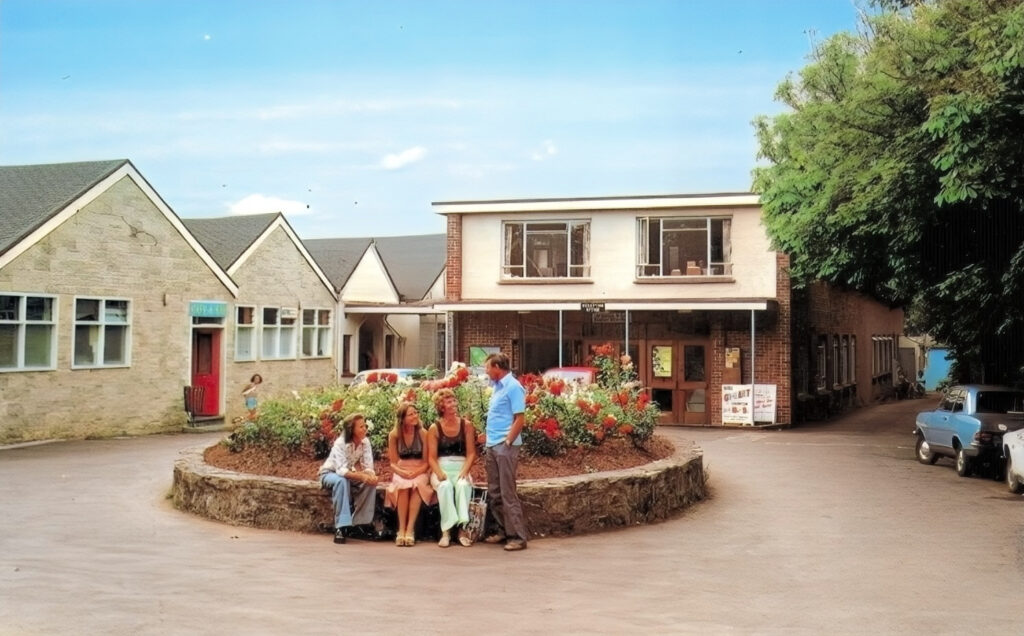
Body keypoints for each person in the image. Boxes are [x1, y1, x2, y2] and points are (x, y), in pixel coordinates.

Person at [482, 352, 528, 551]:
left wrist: (508, 442)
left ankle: (517, 537)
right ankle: (502, 530)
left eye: (487, 368)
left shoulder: (513, 387)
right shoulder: (497, 388)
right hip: (493, 444)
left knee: (508, 492)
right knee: (495, 492)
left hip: (504, 445)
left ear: (498, 368)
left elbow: (520, 418)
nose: (486, 371)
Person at [426, 388, 478, 548]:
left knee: (463, 486)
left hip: (461, 466)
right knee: (445, 486)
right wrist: (439, 473)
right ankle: (446, 531)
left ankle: (462, 529)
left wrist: (465, 471)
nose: (454, 404)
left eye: (454, 400)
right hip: (442, 467)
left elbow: (471, 454)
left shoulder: (466, 425)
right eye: (449, 401)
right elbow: (431, 458)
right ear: (441, 407)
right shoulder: (435, 428)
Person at [318, 413, 378, 544]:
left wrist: (370, 476)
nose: (365, 429)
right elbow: (341, 470)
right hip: (329, 473)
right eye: (361, 427)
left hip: (348, 474)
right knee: (342, 481)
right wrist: (362, 476)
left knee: (370, 483)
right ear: (352, 430)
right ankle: (341, 526)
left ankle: (360, 524)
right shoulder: (341, 443)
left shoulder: (365, 442)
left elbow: (368, 466)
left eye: (365, 426)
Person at [386, 402, 433, 546]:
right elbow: (393, 463)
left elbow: (427, 462)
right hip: (402, 469)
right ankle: (401, 530)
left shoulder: (423, 433)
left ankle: (410, 529)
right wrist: (402, 472)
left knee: (418, 484)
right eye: (410, 414)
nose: (415, 416)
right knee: (403, 485)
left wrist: (416, 472)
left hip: (420, 469)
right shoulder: (394, 435)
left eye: (415, 413)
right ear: (402, 418)